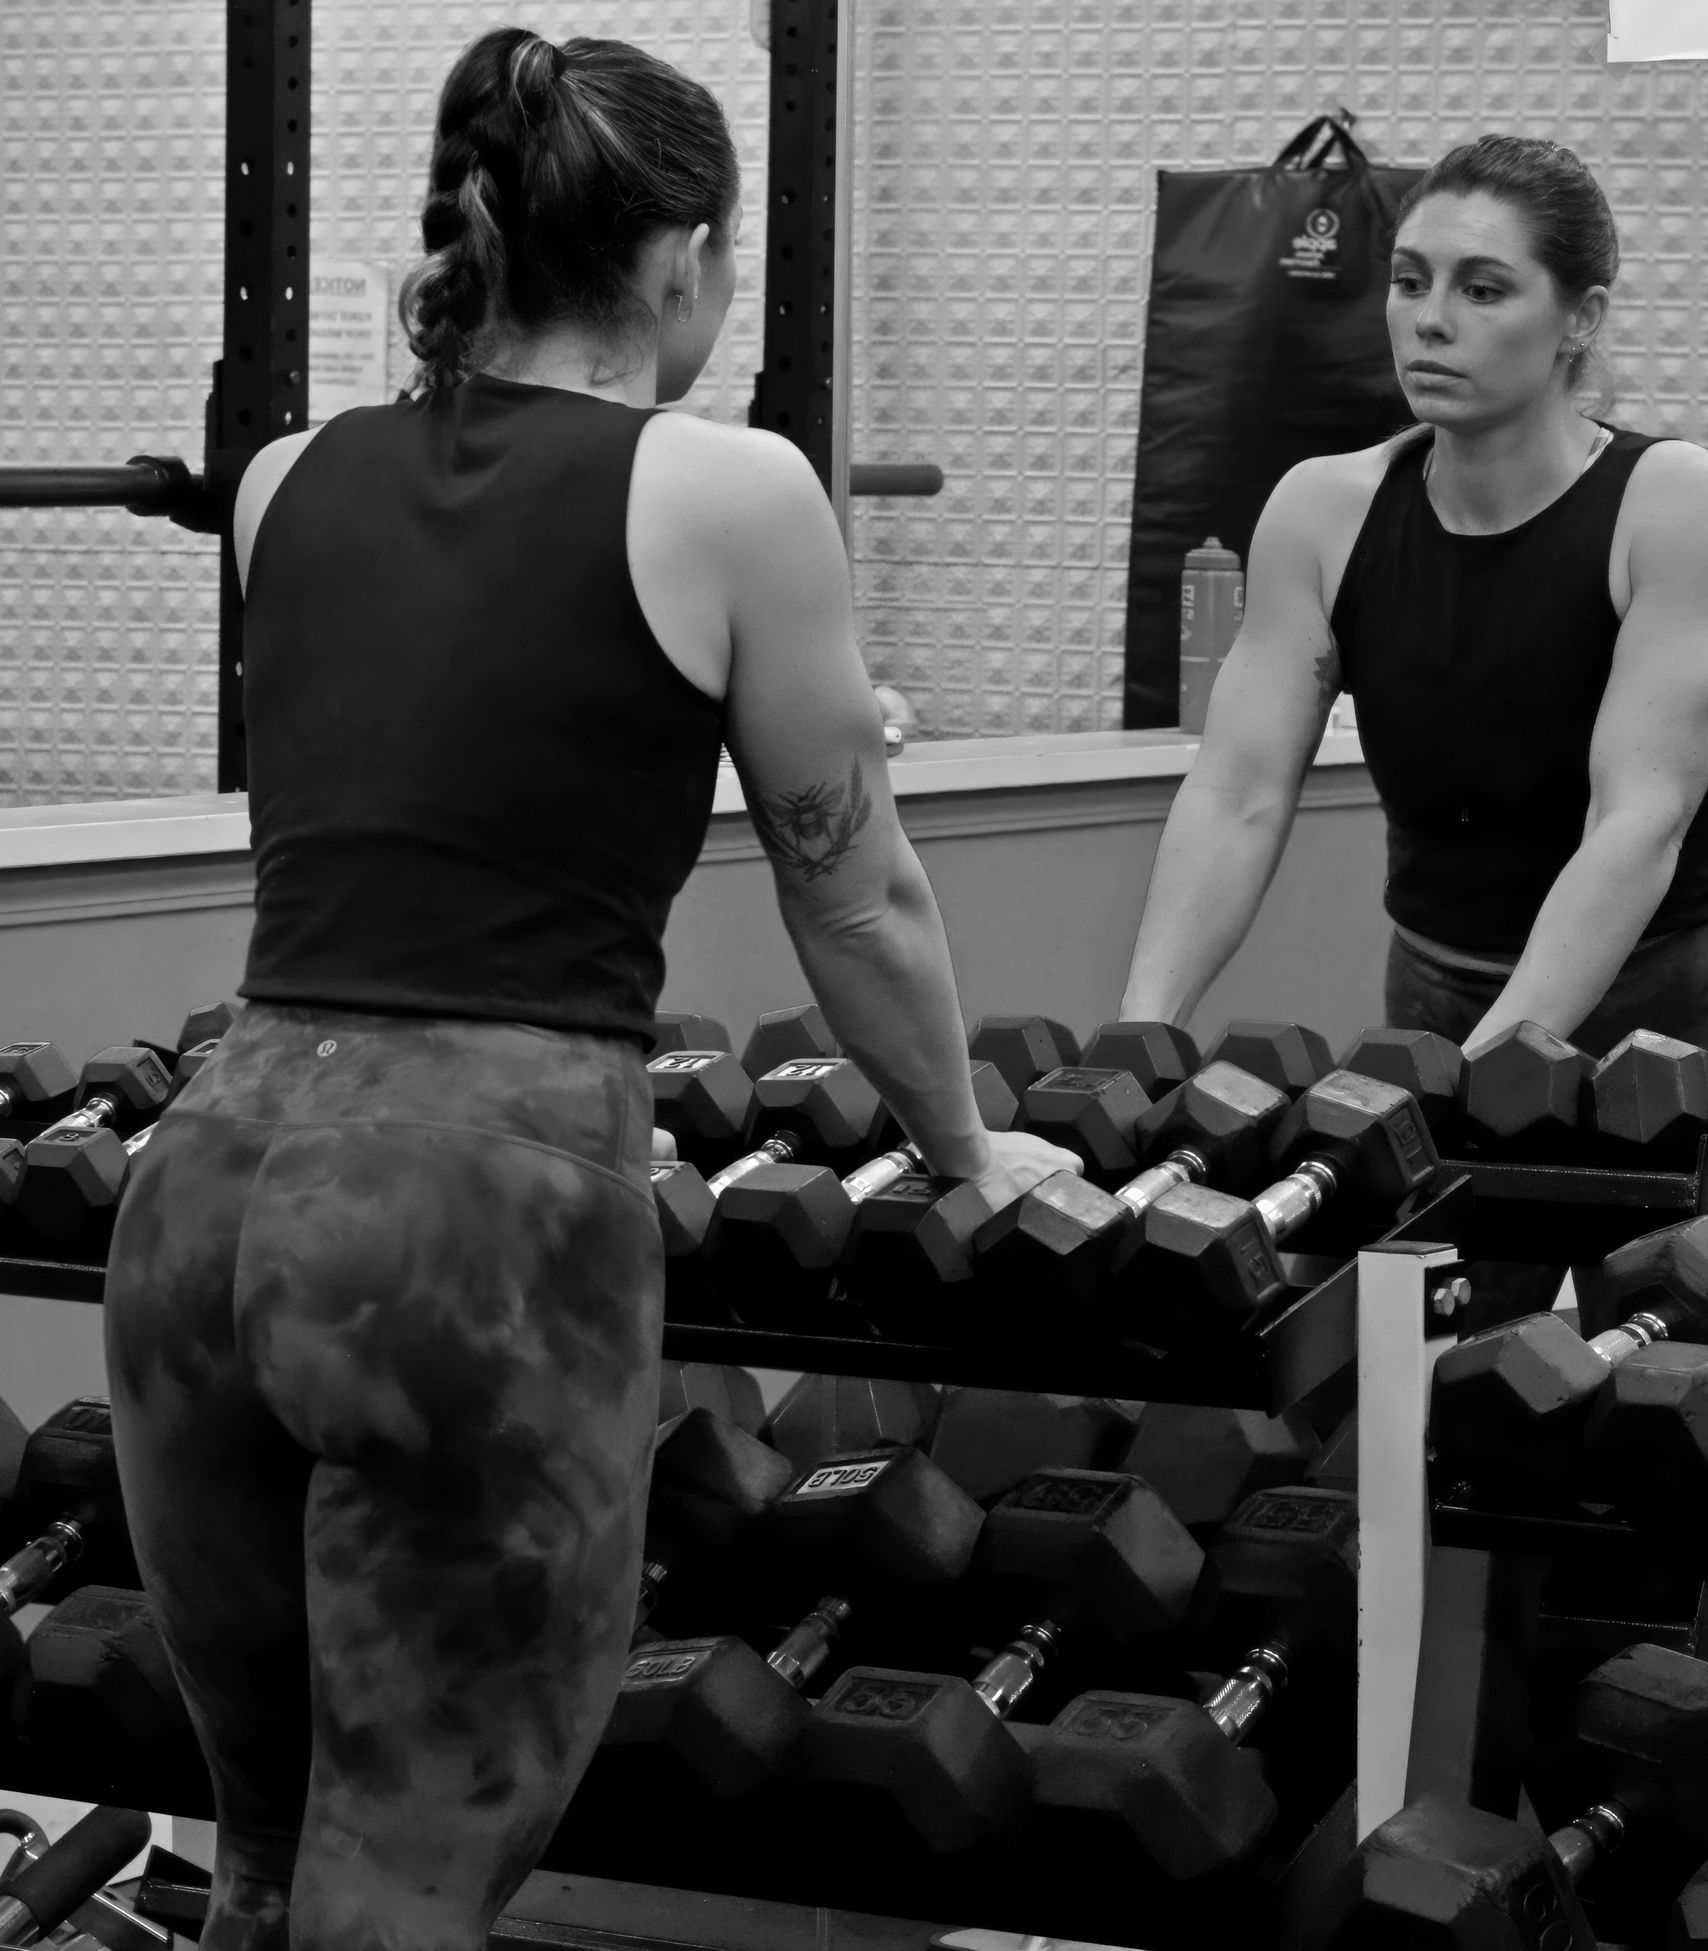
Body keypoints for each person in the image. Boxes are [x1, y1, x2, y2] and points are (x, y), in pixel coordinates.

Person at [102, 29, 1077, 1951]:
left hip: (202, 1204)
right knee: (401, 1906)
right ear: (683, 260)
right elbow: (857, 890)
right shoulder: (735, 493)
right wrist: (970, 1144)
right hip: (468, 1226)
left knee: (267, 1875)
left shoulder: (283, 484)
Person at [1122, 133, 1708, 1165]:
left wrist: (1480, 1074)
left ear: (1581, 318)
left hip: (1669, 1021)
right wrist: (1144, 1032)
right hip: (1437, 996)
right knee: (1429, 1326)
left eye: (1485, 290)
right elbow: (1237, 793)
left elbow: (1636, 828)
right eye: (1409, 281)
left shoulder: (1685, 510)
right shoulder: (1322, 513)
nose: (1432, 320)